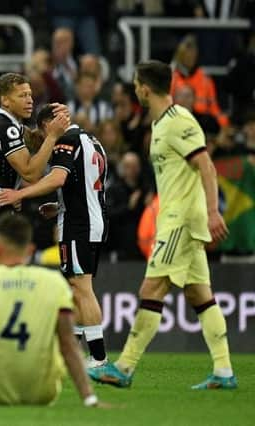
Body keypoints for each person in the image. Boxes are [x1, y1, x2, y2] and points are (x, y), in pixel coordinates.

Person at [88, 60, 237, 389]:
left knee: (151, 289)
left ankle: (124, 367)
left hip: (181, 220)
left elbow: (207, 166)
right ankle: (224, 371)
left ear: (145, 87)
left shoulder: (179, 120)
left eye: (136, 84)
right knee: (201, 295)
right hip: (177, 217)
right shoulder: (158, 125)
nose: (134, 90)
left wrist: (213, 212)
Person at [0, 213, 103, 408]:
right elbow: (69, 345)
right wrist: (90, 399)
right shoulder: (55, 283)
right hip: (42, 394)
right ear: (30, 249)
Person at [0, 104, 109, 368]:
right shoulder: (92, 140)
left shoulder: (65, 141)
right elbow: (87, 187)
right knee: (76, 288)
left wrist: (19, 194)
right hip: (93, 221)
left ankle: (99, 358)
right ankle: (76, 353)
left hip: (78, 225)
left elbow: (57, 178)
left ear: (47, 125)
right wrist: (59, 206)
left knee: (82, 288)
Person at [0, 72, 69, 268]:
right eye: (22, 96)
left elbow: (34, 141)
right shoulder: (7, 128)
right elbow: (30, 172)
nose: (29, 100)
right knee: (1, 271)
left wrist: (53, 116)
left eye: (29, 94)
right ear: (5, 100)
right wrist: (53, 136)